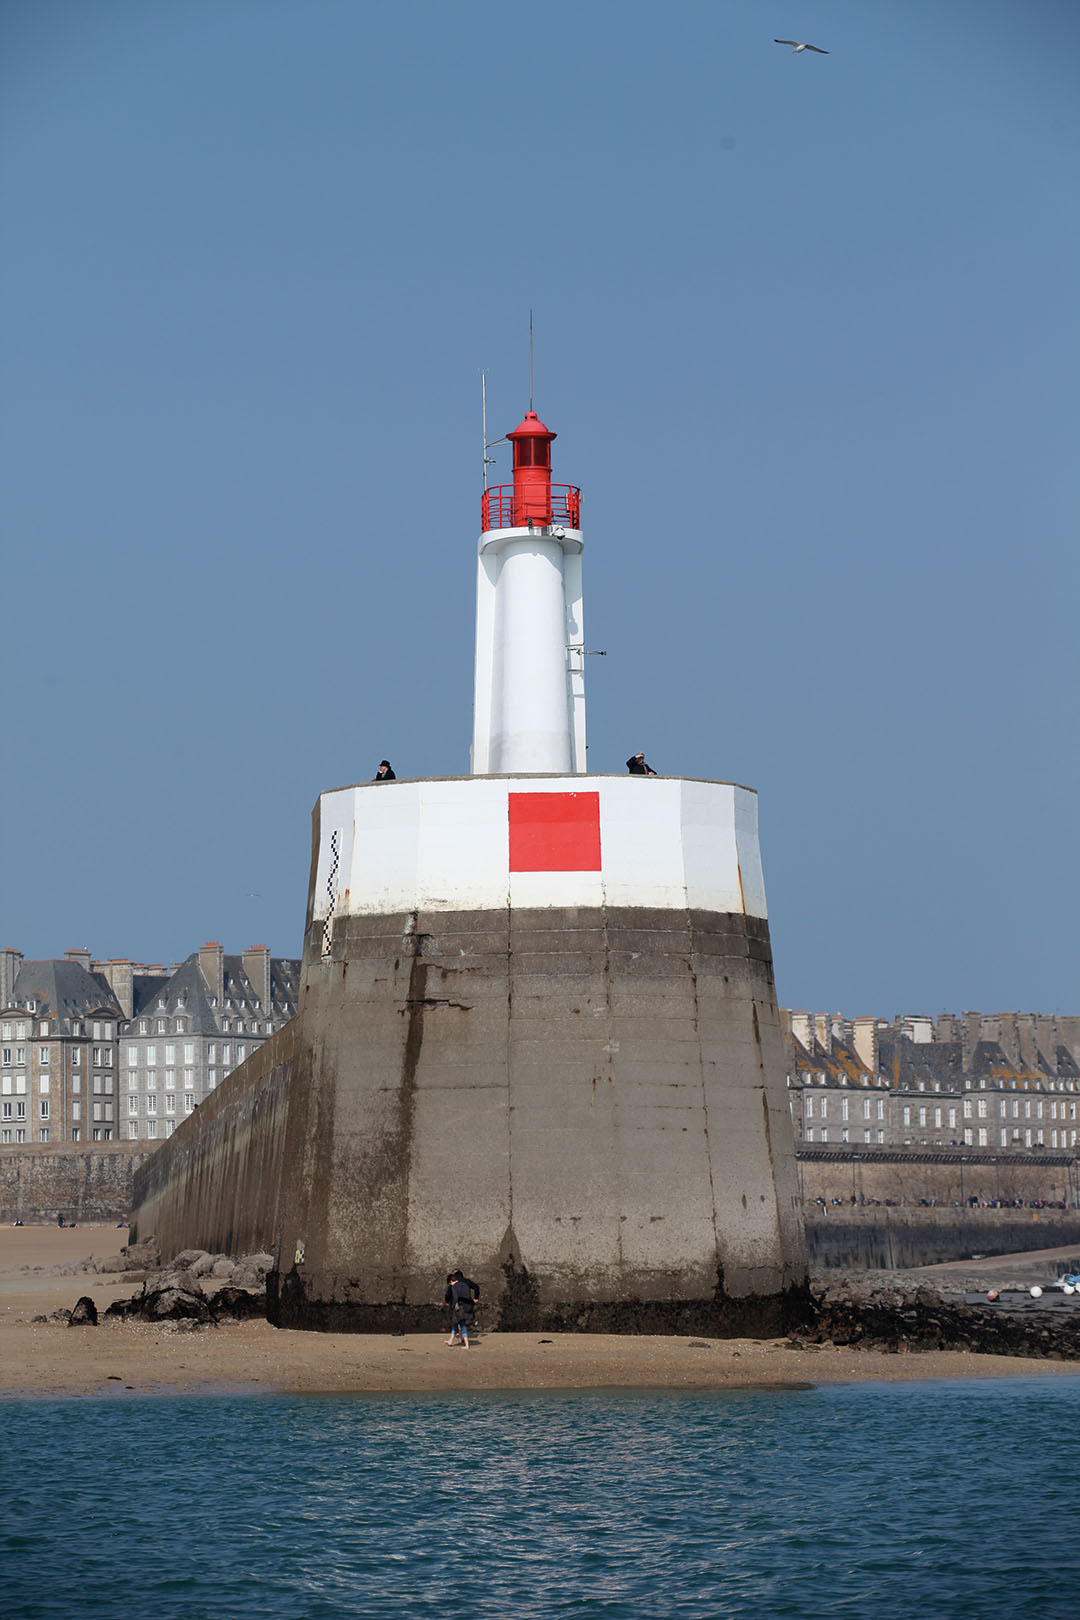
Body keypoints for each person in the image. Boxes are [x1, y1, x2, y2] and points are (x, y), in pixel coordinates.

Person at [444, 1268, 480, 1349]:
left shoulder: (452, 1285)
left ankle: (463, 1342)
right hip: (466, 1306)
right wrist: (475, 1299)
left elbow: (448, 1295)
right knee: (460, 1323)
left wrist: (449, 1303)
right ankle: (456, 1339)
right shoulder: (466, 1282)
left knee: (458, 1323)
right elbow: (476, 1287)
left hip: (458, 1307)